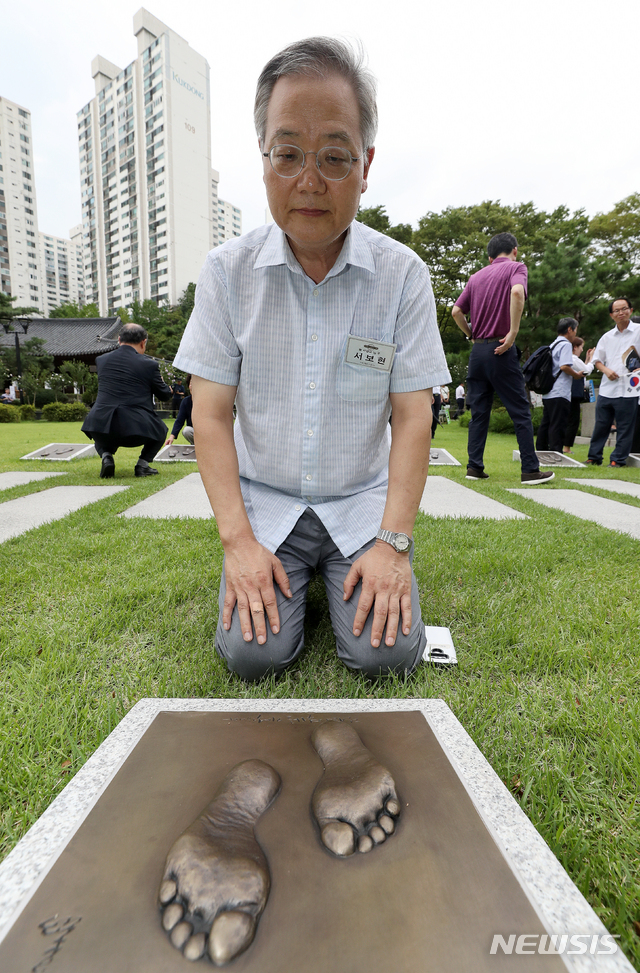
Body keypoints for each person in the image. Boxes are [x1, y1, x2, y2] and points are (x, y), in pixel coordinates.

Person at [173, 37, 450, 681]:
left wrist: (394, 545)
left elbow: (413, 418)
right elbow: (209, 417)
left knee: (387, 656)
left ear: (366, 164)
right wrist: (239, 544)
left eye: (333, 157)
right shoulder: (225, 273)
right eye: (289, 154)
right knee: (252, 655)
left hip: (361, 505)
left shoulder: (403, 275)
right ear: (263, 157)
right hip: (267, 506)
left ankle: (348, 574)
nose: (309, 182)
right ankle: (295, 578)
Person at [451, 232, 554, 484]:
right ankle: (530, 470)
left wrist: (471, 335)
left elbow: (456, 311)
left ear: (489, 257)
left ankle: (474, 468)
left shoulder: (476, 277)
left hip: (478, 353)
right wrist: (513, 333)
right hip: (501, 348)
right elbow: (517, 293)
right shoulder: (516, 267)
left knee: (479, 414)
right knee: (520, 411)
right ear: (514, 250)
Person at [81, 323, 172, 478]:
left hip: (100, 425)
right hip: (136, 429)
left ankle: (107, 457)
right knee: (161, 429)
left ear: (118, 340)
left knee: (101, 430)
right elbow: (164, 395)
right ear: (143, 342)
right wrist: (167, 387)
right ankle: (142, 465)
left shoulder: (101, 361)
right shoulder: (149, 365)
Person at [587, 298, 640, 467]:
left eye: (624, 309)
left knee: (625, 427)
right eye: (616, 311)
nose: (621, 313)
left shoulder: (639, 331)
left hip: (630, 389)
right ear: (611, 315)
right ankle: (594, 457)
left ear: (631, 310)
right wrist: (606, 370)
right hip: (607, 389)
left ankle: (618, 459)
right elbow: (597, 360)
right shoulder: (606, 337)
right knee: (601, 425)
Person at [535, 318, 587, 454]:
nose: (575, 333)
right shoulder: (565, 345)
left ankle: (541, 449)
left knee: (546, 421)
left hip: (548, 390)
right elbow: (564, 366)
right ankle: (556, 451)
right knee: (558, 423)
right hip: (560, 390)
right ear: (570, 329)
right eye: (575, 329)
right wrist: (576, 375)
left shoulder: (553, 344)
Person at [563, 336, 594, 453]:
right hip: (573, 394)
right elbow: (587, 370)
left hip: (566, 393)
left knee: (566, 419)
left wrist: (586, 360)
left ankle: (563, 445)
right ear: (575, 347)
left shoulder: (569, 359)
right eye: (581, 347)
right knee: (573, 421)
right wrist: (592, 358)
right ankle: (567, 447)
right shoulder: (573, 359)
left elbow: (582, 372)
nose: (581, 350)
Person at [166, 375, 194, 446]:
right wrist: (171, 436)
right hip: (194, 432)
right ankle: (196, 447)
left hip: (208, 432)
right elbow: (179, 420)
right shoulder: (186, 401)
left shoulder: (208, 401)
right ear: (188, 386)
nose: (193, 386)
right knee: (187, 430)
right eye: (191, 383)